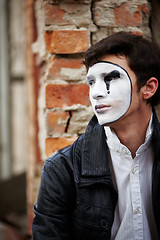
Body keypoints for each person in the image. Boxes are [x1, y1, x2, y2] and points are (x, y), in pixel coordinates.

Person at [32, 31, 160, 240]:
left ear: (149, 87)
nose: (96, 92)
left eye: (110, 77)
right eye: (91, 82)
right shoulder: (62, 169)